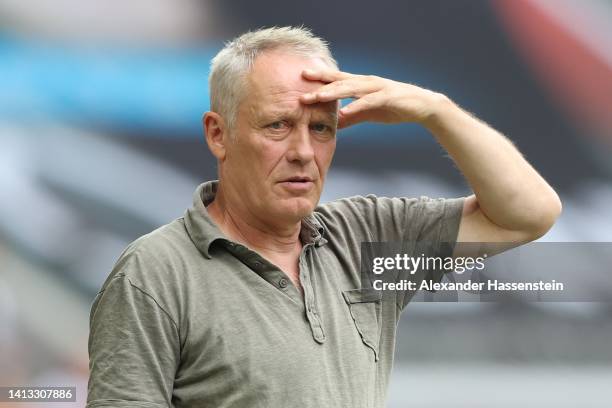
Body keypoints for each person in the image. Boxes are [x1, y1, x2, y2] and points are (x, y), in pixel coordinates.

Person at [86, 26, 561, 408]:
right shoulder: (154, 272)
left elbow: (528, 215)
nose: (302, 152)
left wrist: (435, 111)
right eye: (278, 125)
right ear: (218, 134)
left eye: (321, 128)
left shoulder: (366, 238)